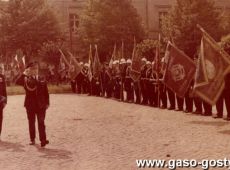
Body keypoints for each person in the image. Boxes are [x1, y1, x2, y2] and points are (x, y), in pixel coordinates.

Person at [16, 61, 49, 147]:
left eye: (36, 69)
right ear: (29, 70)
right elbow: (16, 82)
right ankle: (32, 139)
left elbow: (46, 91)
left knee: (41, 122)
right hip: (30, 104)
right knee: (31, 122)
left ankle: (43, 140)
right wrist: (24, 73)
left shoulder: (42, 78)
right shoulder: (26, 79)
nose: (35, 70)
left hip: (41, 105)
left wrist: (47, 103)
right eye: (33, 69)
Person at [0, 66, 7, 140]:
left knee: (0, 118)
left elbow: (4, 90)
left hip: (0, 101)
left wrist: (5, 101)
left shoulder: (2, 77)